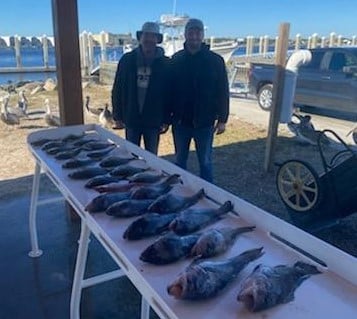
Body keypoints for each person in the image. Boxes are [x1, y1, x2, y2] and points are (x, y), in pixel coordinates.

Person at [169, 18, 229, 182]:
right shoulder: (176, 59)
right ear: (185, 34)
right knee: (180, 161)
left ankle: (209, 195)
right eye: (191, 32)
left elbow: (223, 91)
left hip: (205, 122)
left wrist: (223, 119)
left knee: (206, 162)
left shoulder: (215, 60)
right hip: (180, 122)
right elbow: (169, 91)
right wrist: (167, 118)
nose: (194, 35)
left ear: (202, 35)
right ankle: (179, 190)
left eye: (198, 32)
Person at [111, 22, 170, 154]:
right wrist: (117, 115)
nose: (149, 39)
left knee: (151, 158)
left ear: (157, 39)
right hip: (131, 118)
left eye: (152, 36)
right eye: (146, 35)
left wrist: (167, 119)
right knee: (131, 155)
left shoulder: (166, 63)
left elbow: (170, 94)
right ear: (140, 37)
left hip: (154, 120)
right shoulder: (127, 60)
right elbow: (117, 88)